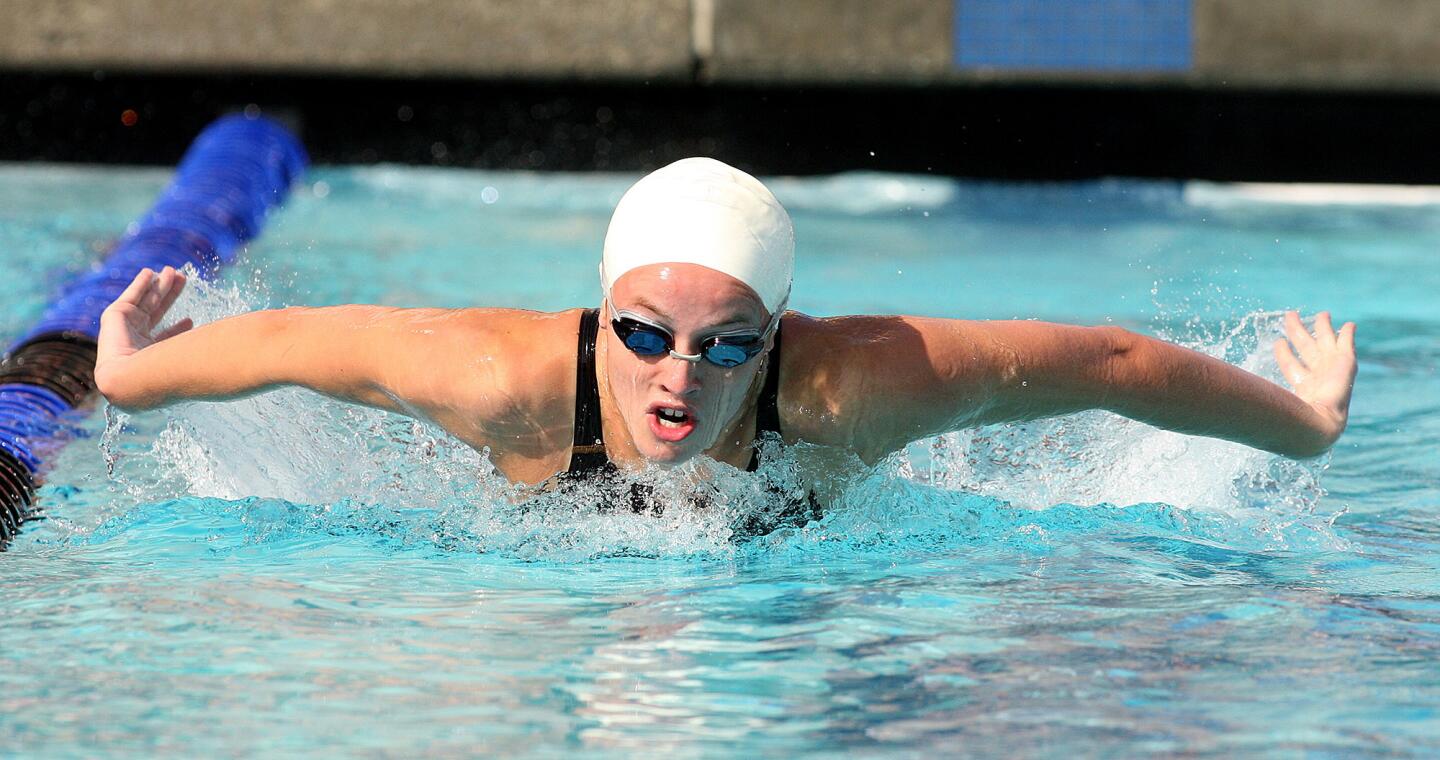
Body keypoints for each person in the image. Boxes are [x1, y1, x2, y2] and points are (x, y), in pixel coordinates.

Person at [94, 158, 1357, 504]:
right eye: (642, 335)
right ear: (600, 316)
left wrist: (1303, 424)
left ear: (781, 334)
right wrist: (125, 372)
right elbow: (299, 345)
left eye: (728, 346)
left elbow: (1112, 365)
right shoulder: (499, 379)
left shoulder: (857, 387)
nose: (677, 381)